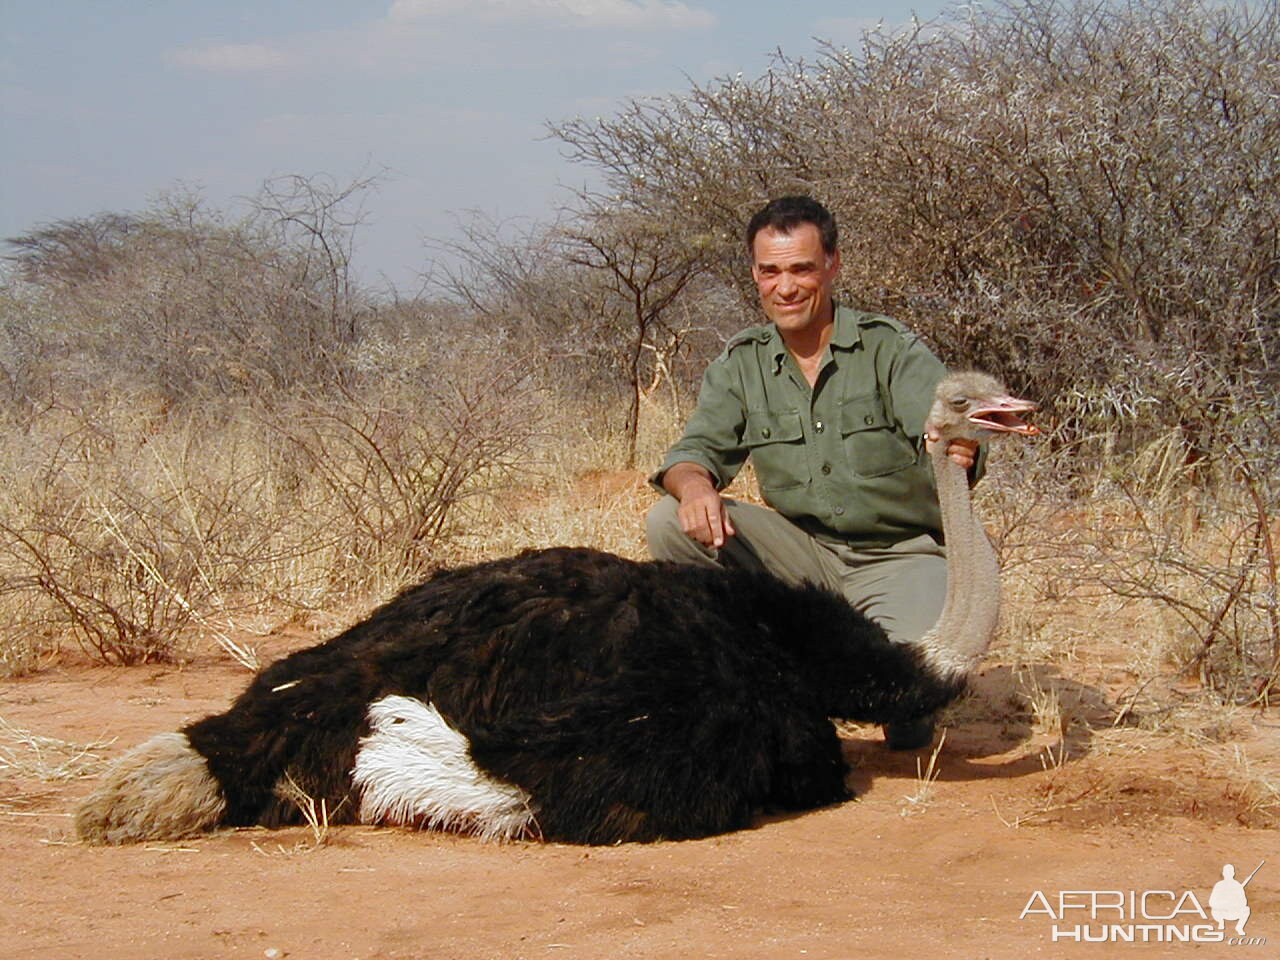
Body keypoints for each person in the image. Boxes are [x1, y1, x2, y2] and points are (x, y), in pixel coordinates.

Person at [646, 195, 981, 750]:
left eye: (801, 268)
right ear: (754, 274)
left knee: (908, 694)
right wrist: (695, 484)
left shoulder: (890, 349)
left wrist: (961, 446)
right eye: (770, 271)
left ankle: (887, 680)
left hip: (898, 554)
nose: (786, 287)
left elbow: (950, 426)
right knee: (667, 520)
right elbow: (693, 451)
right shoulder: (740, 363)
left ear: (832, 265)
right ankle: (746, 674)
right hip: (802, 554)